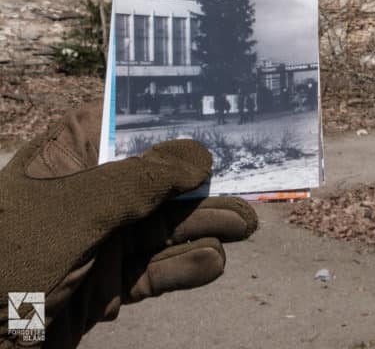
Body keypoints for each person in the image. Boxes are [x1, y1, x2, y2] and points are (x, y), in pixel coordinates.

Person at [0, 100, 258, 349]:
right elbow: (19, 325)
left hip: (18, 326)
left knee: (26, 315)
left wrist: (17, 337)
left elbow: (20, 329)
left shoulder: (20, 322)